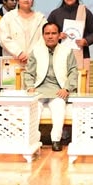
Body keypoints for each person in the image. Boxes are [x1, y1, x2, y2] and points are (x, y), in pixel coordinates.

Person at [24, 22, 78, 152]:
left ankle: (56, 140)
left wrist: (66, 88)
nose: (50, 36)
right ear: (43, 35)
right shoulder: (36, 51)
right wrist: (30, 87)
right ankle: (33, 140)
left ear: (59, 35)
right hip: (39, 90)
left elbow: (73, 71)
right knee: (34, 108)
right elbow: (29, 73)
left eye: (53, 33)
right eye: (47, 33)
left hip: (58, 90)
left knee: (59, 107)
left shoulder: (67, 51)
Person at [47, 0, 93, 93]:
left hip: (81, 54)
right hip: (60, 55)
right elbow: (47, 33)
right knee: (61, 86)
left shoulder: (85, 12)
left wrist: (86, 41)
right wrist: (57, 36)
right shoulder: (55, 14)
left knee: (81, 87)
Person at [0, 0, 47, 65]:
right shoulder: (8, 17)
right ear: (18, 1)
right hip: (13, 60)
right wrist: (19, 53)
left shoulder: (41, 18)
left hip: (35, 60)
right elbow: (4, 39)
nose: (26, 0)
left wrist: (32, 54)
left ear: (32, 2)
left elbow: (44, 38)